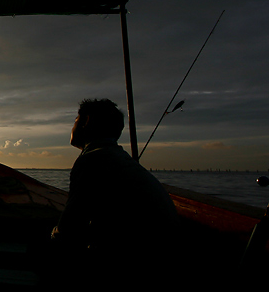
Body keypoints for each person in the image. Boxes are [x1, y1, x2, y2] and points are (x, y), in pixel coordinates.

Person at [51, 98, 179, 276]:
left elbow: (70, 229)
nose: (72, 127)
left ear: (86, 121)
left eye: (75, 121)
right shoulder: (117, 158)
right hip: (162, 256)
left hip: (135, 263)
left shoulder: (92, 160)